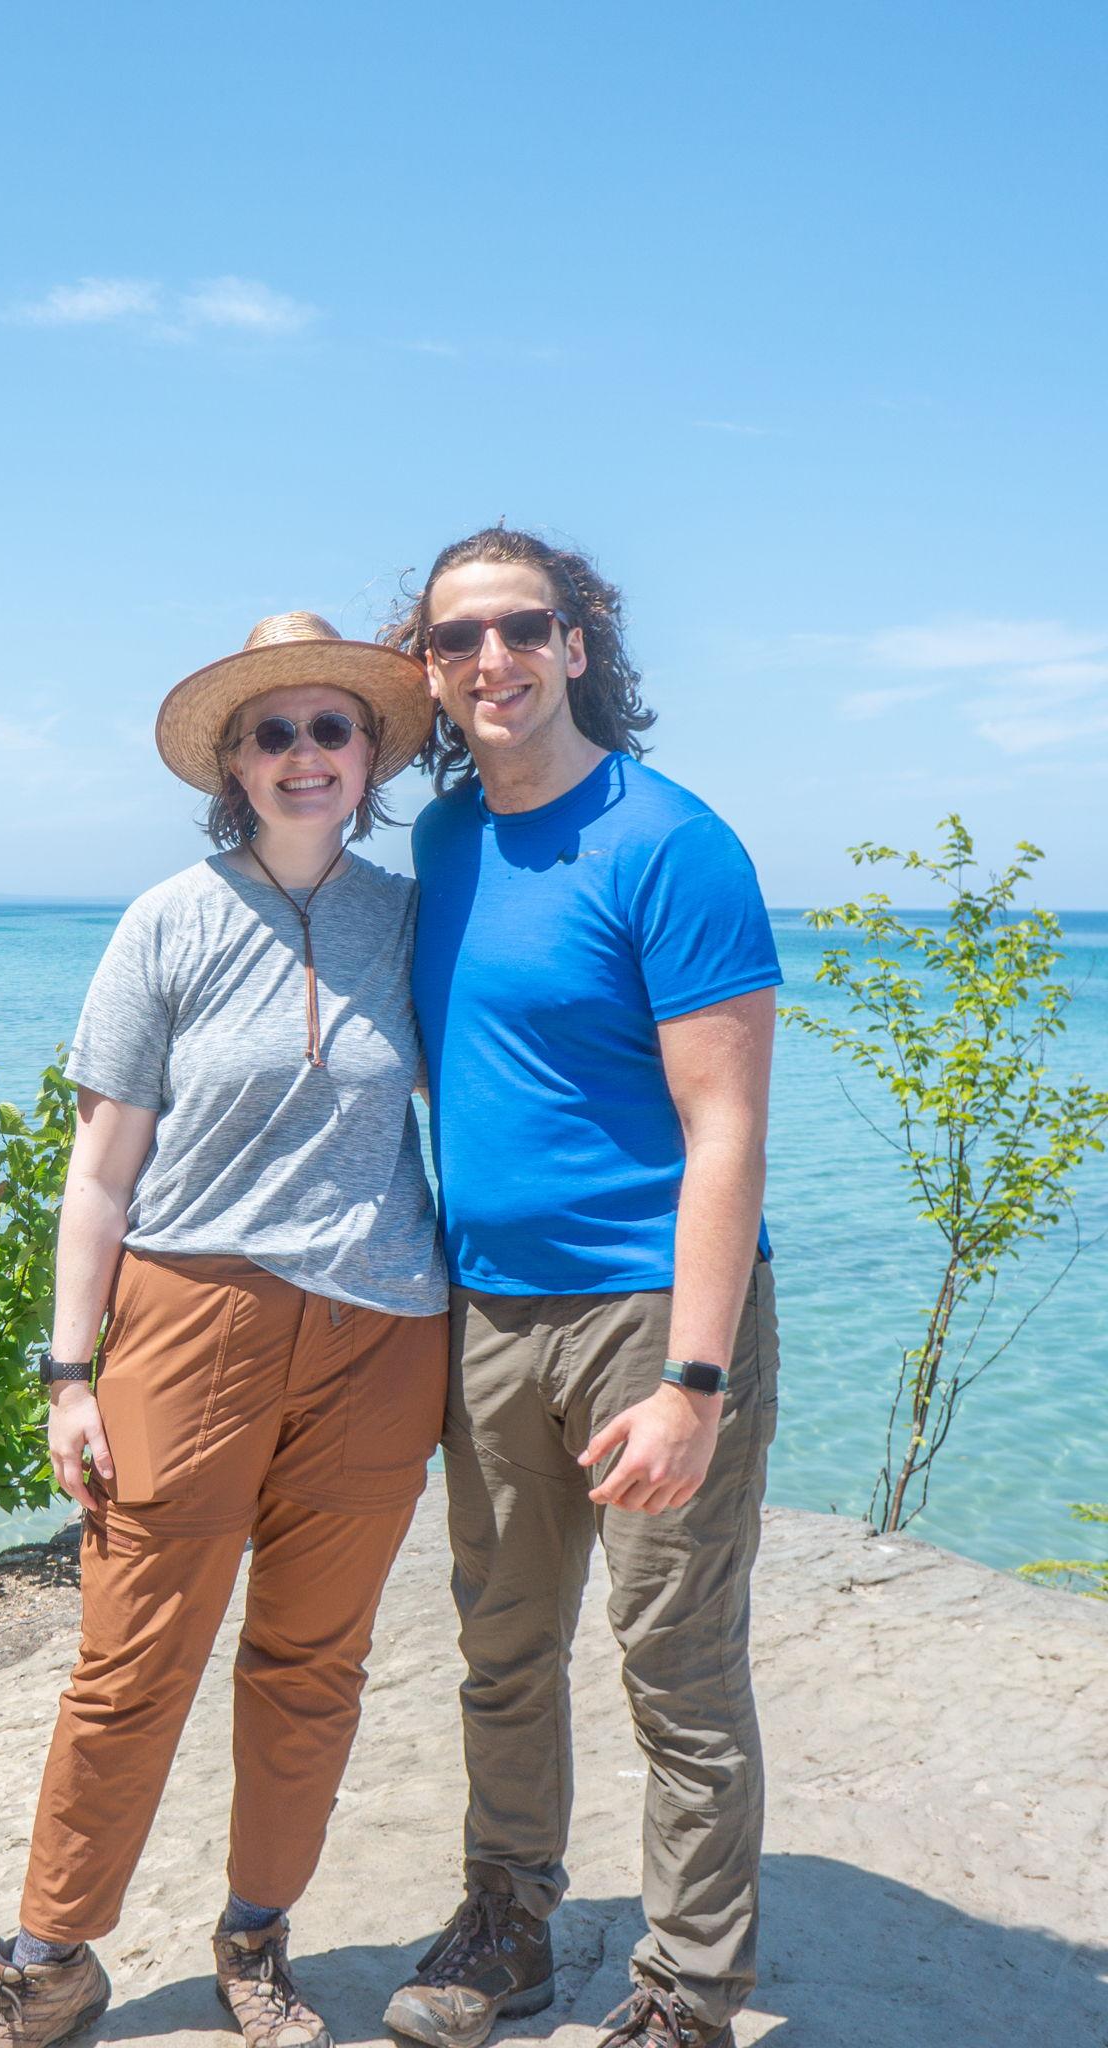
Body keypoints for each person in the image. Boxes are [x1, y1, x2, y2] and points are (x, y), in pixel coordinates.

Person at [0, 612, 449, 2048]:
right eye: (273, 732)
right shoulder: (166, 919)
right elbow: (100, 1169)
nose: (305, 755)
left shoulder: (414, 920)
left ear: (369, 757)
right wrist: (69, 1370)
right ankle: (50, 1955)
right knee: (132, 1659)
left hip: (384, 1332)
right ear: (232, 764)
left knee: (314, 1664)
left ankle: (257, 1941)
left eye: (332, 729)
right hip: (192, 1320)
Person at [377, 528, 781, 2048]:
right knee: (502, 1643)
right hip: (487, 1312)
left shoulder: (672, 843)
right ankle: (508, 1925)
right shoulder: (443, 844)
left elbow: (727, 1126)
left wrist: (695, 1379)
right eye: (454, 638)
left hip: (645, 1315)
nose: (491, 661)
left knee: (675, 1667)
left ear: (580, 643)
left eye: (523, 628)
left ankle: (688, 1988)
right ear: (425, 668)